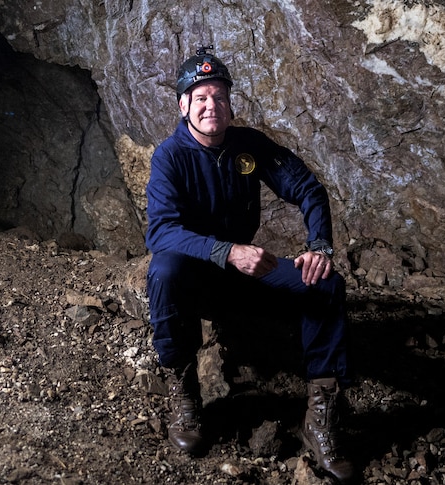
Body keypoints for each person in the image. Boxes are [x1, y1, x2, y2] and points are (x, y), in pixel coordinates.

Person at [144, 46, 354, 483]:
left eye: (218, 97)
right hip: (199, 278)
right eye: (200, 98)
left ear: (229, 103)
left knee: (325, 285)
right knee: (164, 270)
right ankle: (185, 397)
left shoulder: (248, 146)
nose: (210, 106)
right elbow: (161, 232)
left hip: (244, 276)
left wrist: (320, 246)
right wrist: (227, 251)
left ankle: (320, 420)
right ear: (183, 105)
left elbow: (309, 189)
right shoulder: (170, 156)